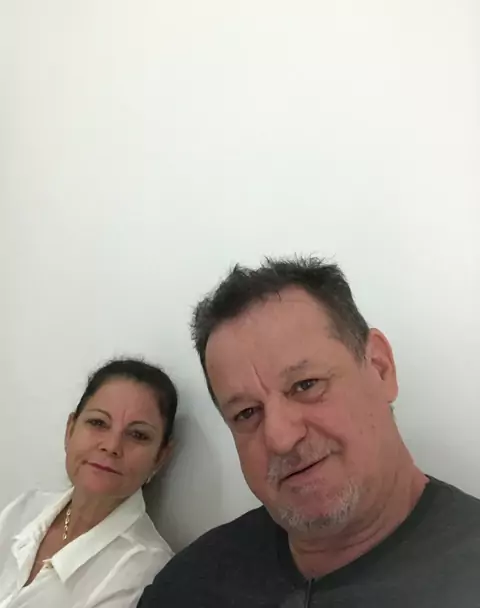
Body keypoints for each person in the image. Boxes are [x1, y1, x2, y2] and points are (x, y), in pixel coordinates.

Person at [139, 256, 480, 607]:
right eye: (247, 413)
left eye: (306, 385)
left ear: (380, 369)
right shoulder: (187, 588)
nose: (281, 438)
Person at [0, 358, 178, 608]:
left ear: (159, 457)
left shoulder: (144, 572)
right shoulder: (24, 509)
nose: (112, 446)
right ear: (70, 430)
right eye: (98, 423)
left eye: (137, 435)